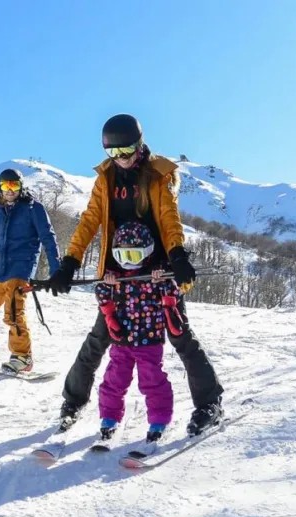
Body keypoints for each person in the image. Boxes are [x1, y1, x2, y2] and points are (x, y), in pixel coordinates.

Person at [46, 114, 224, 436]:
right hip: (120, 271)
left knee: (180, 335)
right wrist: (70, 262)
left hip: (157, 273)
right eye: (112, 153)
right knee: (99, 337)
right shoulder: (106, 178)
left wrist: (177, 256)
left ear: (139, 145)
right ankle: (72, 402)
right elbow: (89, 221)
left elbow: (168, 217)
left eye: (125, 151)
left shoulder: (157, 174)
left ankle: (209, 403)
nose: (120, 158)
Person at [0, 168, 61, 374]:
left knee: (14, 314)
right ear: (0, 187)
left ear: (21, 186)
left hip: (21, 269)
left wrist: (57, 270)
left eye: (14, 185)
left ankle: (22, 357)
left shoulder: (34, 208)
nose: (9, 190)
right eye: (5, 186)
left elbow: (48, 239)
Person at [94, 221, 184, 444]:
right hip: (122, 339)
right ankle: (109, 417)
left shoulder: (155, 276)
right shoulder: (117, 276)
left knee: (152, 380)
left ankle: (159, 419)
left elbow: (174, 293)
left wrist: (163, 280)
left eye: (133, 255)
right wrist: (107, 283)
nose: (127, 261)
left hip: (149, 340)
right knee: (114, 379)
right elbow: (101, 295)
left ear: (147, 252)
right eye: (121, 255)